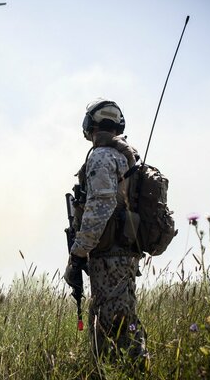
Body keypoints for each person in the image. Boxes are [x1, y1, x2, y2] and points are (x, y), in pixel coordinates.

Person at [64, 98, 148, 368]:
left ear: (90, 126)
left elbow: (101, 205)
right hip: (123, 251)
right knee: (122, 323)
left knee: (113, 332)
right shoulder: (129, 157)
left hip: (110, 255)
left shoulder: (101, 156)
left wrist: (77, 254)